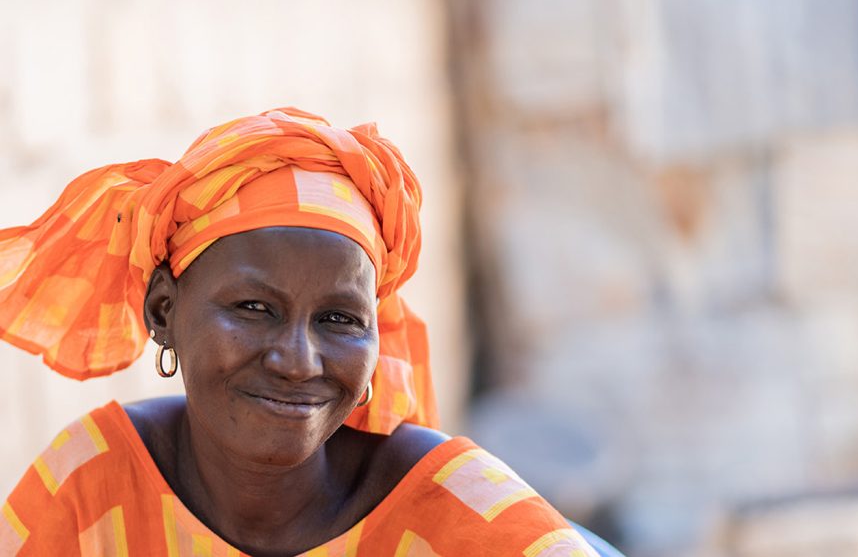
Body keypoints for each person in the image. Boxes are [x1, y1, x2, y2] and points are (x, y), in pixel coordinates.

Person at [0, 109, 604, 556]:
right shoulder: (94, 486)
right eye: (253, 307)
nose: (297, 360)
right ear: (163, 312)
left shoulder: (458, 516)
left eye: (339, 320)